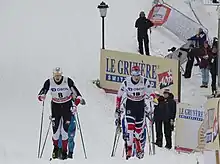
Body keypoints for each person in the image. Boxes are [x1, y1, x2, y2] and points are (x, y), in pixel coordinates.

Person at [38, 67, 83, 160]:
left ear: (61, 74)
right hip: (56, 106)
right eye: (56, 76)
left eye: (59, 75)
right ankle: (56, 149)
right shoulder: (49, 82)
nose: (57, 78)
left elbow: (77, 94)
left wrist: (77, 102)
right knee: (56, 131)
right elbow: (42, 91)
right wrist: (42, 96)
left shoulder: (67, 81)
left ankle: (64, 152)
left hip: (66, 106)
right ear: (53, 75)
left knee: (65, 131)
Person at [114, 65, 153, 160]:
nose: (137, 77)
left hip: (140, 106)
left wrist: (152, 97)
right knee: (130, 129)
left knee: (138, 132)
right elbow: (119, 95)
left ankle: (138, 142)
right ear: (131, 74)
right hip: (130, 105)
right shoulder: (126, 82)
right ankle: (129, 149)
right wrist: (117, 108)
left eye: (138, 75)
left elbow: (151, 92)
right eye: (135, 75)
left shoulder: (144, 81)